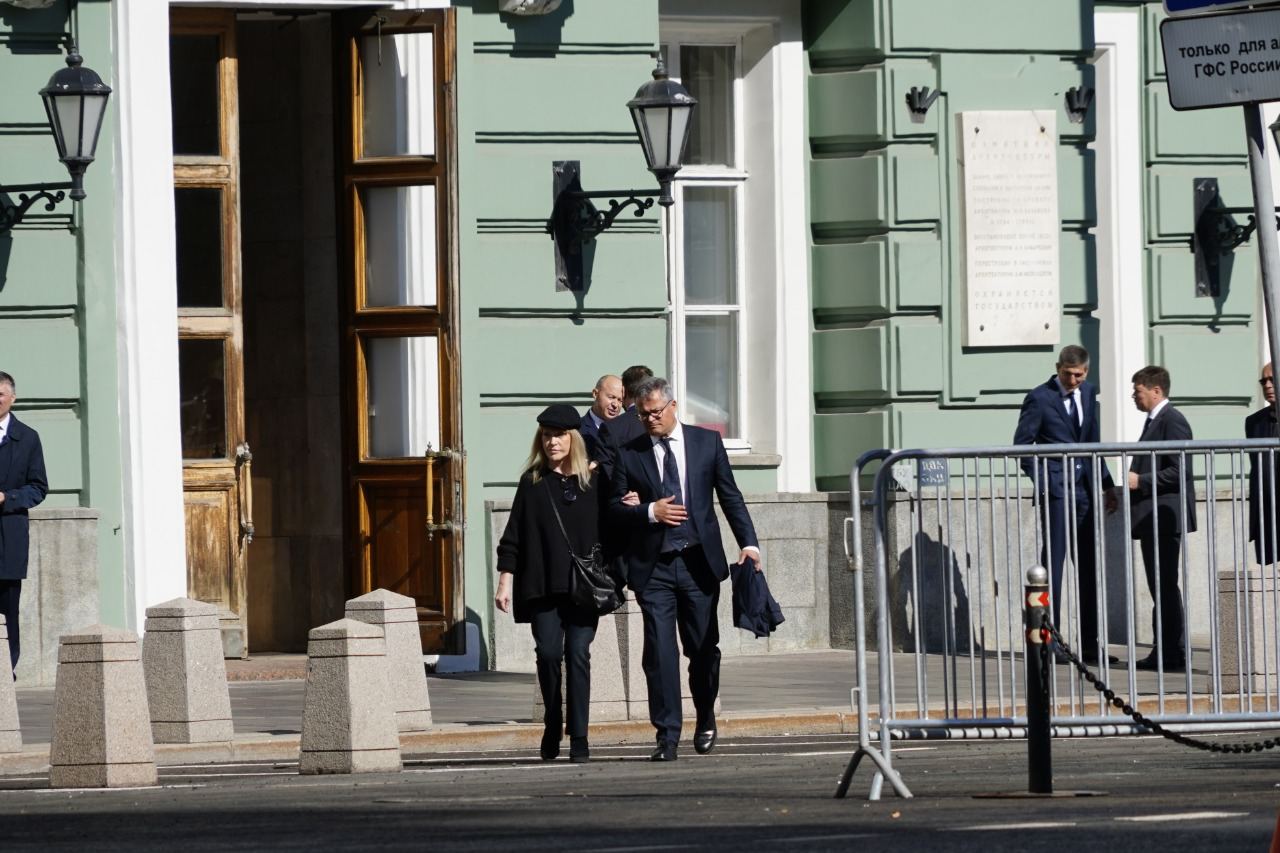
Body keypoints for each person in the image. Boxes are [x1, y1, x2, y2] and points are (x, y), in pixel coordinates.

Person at [609, 376, 761, 761]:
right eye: (643, 415)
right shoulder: (629, 453)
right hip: (654, 568)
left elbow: (730, 496)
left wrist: (749, 543)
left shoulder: (706, 443)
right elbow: (613, 510)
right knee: (660, 653)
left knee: (702, 649)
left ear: (673, 406)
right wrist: (648, 511)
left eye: (655, 413)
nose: (649, 420)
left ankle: (705, 713)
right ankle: (667, 736)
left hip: (698, 564)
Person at [494, 405, 605, 763]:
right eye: (546, 435)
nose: (552, 442)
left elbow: (614, 529)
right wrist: (505, 580)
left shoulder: (594, 482)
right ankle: (552, 721)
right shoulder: (532, 483)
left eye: (559, 435)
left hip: (583, 588)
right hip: (542, 587)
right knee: (548, 654)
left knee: (578, 653)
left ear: (573, 438)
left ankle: (580, 735)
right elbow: (513, 536)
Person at [1012, 345, 1116, 664]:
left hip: (1085, 490)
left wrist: (1107, 484)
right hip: (1057, 491)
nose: (1073, 381)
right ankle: (1049, 641)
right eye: (1068, 374)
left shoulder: (1089, 393)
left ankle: (1090, 645)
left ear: (1086, 372)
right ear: (1058, 368)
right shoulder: (1039, 398)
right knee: (1053, 568)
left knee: (1088, 568)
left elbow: (1092, 442)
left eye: (1079, 375)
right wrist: (1044, 481)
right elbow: (1022, 446)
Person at [1123, 365, 1195, 672]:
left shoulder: (1172, 420)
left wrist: (1141, 481)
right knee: (1161, 586)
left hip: (1164, 518)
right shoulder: (1156, 420)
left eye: (1138, 391)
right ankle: (1167, 650)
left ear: (1156, 390)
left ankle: (1171, 652)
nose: (1133, 396)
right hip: (1153, 518)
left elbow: (1181, 470)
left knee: (1164, 585)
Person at [0, 371, 48, 679]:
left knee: (7, 607)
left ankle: (7, 669)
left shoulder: (27, 437)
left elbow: (38, 487)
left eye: (0, 394)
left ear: (12, 398)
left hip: (9, 537)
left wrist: (8, 497)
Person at [1246, 362, 1280, 565]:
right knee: (1269, 574)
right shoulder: (1254, 422)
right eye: (1263, 381)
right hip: (1266, 513)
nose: (1267, 385)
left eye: (1272, 380)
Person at [595, 365, 653, 481]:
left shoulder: (611, 428)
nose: (616, 404)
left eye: (619, 399)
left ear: (624, 391)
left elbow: (608, 474)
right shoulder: (662, 423)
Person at [579, 374, 624, 462]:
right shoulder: (577, 430)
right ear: (595, 394)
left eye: (620, 400)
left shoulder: (625, 430)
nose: (615, 405)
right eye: (611, 397)